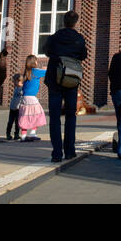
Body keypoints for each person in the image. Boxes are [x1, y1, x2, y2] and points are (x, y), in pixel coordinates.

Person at [42, 11, 88, 163]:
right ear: (76, 22)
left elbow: (47, 51)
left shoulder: (54, 37)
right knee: (70, 116)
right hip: (71, 79)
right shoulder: (79, 38)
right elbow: (83, 55)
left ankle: (56, 153)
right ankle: (69, 151)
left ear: (64, 21)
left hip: (54, 79)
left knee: (54, 117)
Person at [17, 56, 47, 141]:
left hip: (24, 97)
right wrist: (45, 69)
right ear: (34, 62)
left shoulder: (26, 72)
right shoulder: (36, 71)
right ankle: (32, 133)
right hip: (31, 98)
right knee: (37, 114)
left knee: (25, 116)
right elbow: (48, 72)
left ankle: (23, 136)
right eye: (36, 61)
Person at [6, 73, 23, 140]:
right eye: (14, 82)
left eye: (15, 81)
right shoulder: (16, 87)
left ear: (20, 81)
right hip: (13, 107)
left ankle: (16, 134)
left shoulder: (22, 88)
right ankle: (8, 134)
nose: (14, 83)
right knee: (10, 121)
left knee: (17, 122)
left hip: (18, 108)